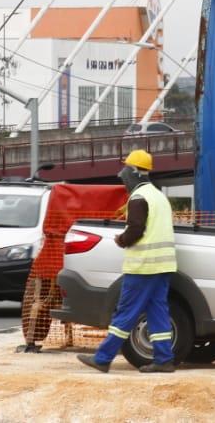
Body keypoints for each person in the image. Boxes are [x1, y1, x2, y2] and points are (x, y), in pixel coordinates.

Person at [78, 150, 178, 373]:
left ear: (134, 172)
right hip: (164, 266)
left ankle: (103, 358)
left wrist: (122, 240)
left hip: (144, 266)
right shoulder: (158, 195)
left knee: (126, 311)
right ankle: (164, 360)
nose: (122, 176)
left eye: (125, 171)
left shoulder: (139, 197)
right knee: (158, 311)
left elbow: (136, 228)